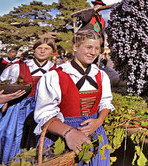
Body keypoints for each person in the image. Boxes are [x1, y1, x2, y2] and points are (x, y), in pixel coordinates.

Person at [34, 30, 114, 165]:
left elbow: (105, 102)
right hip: (61, 135)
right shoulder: (53, 77)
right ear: (75, 46)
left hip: (95, 133)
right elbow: (44, 116)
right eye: (88, 47)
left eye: (96, 48)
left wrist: (99, 121)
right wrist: (69, 133)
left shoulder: (101, 75)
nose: (93, 52)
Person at [0, 38, 56, 164]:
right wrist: (2, 99)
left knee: (38, 144)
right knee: (9, 137)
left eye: (47, 48)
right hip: (18, 109)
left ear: (52, 52)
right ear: (33, 50)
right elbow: (0, 86)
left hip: (44, 111)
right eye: (39, 48)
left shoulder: (56, 70)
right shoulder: (17, 68)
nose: (42, 51)